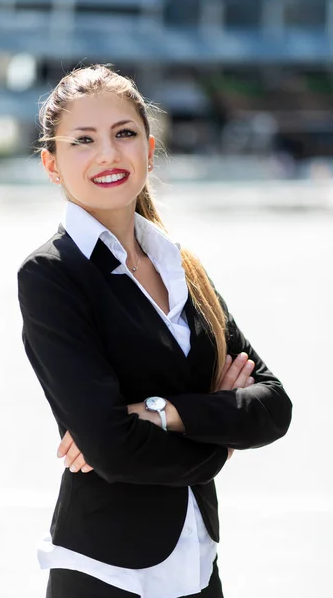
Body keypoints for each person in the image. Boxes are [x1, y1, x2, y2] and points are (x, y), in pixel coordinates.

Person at [17, 64, 292, 598]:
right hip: (106, 572)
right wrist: (221, 437)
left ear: (149, 146)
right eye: (83, 141)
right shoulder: (52, 275)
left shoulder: (181, 265)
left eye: (124, 134)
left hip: (199, 565)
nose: (108, 155)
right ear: (52, 164)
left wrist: (165, 413)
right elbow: (113, 449)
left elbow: (274, 405)